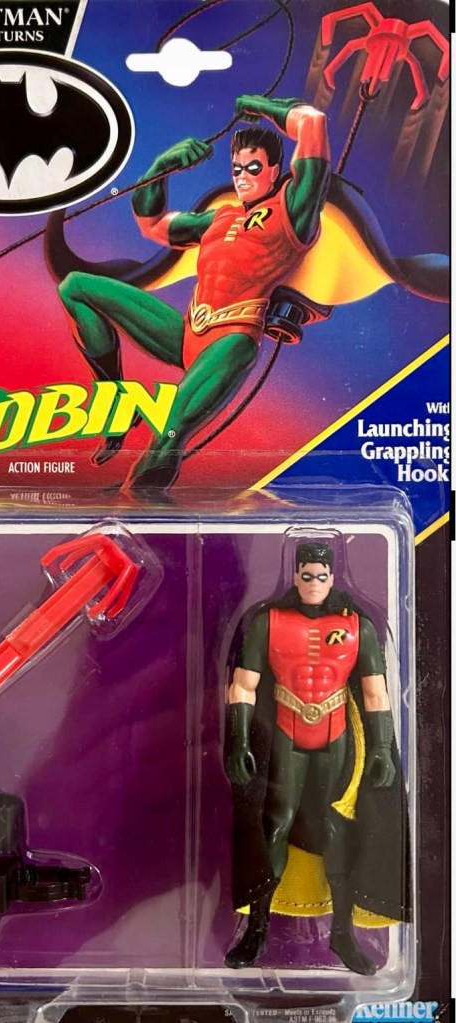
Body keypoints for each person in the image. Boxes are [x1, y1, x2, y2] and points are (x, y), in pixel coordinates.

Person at [57, 95, 330, 490]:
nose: (243, 176)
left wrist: (261, 106)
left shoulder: (293, 211)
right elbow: (152, 224)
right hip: (188, 332)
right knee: (76, 287)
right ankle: (116, 405)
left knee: (167, 433)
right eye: (237, 168)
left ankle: (144, 509)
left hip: (232, 340)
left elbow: (313, 123)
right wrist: (161, 167)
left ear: (275, 170)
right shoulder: (220, 217)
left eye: (254, 167)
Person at [225, 541, 409, 975]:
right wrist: (238, 741)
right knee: (276, 823)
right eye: (306, 575)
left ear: (332, 578)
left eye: (321, 576)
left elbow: (375, 693)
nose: (313, 583)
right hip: (286, 730)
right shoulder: (268, 623)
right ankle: (257, 929)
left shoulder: (357, 627)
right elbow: (243, 686)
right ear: (295, 576)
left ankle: (342, 933)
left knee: (335, 827)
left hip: (335, 732)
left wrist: (381, 747)